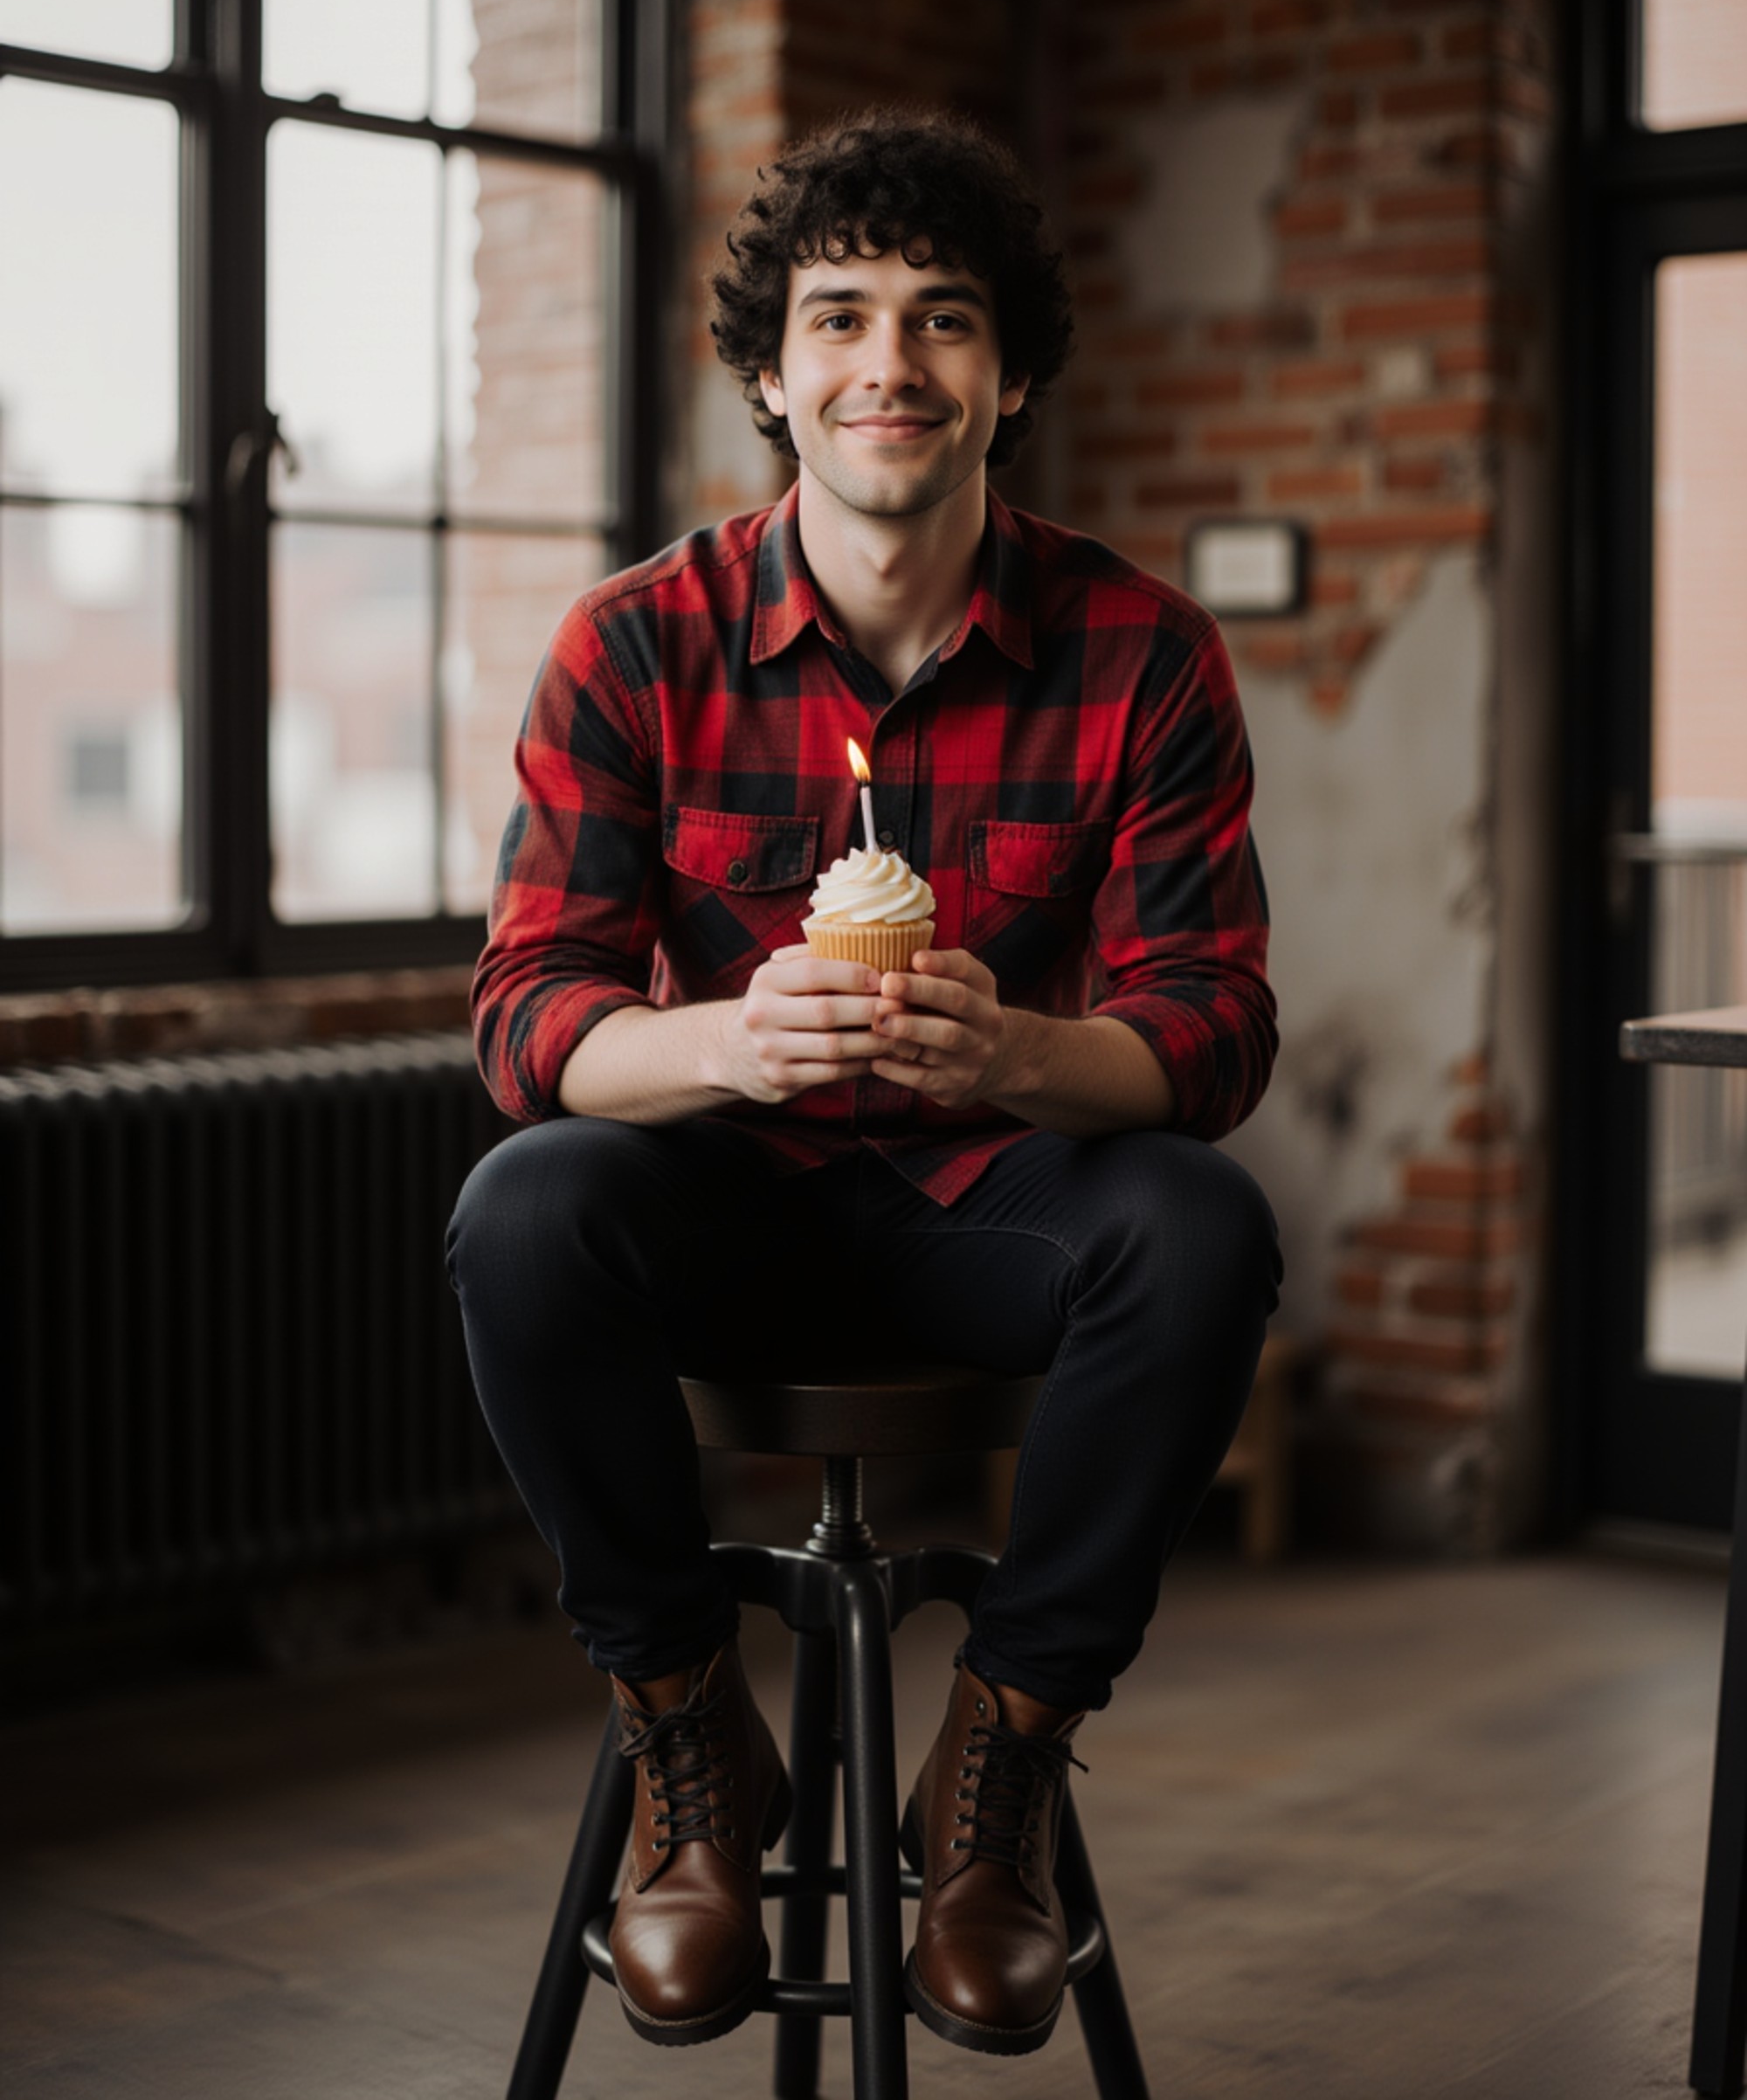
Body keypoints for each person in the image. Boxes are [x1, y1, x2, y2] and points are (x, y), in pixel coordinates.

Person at [447, 105, 1281, 2057]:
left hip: (994, 1207)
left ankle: (1000, 1768)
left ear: (1010, 378)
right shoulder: (635, 644)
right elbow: (523, 1010)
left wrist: (1022, 1051)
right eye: (838, 318)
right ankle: (684, 1737)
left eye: (943, 319)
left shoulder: (1144, 655)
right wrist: (724, 1037)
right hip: (721, 1204)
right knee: (525, 1206)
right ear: (768, 371)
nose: (888, 363)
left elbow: (1213, 1021)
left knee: (1200, 1226)